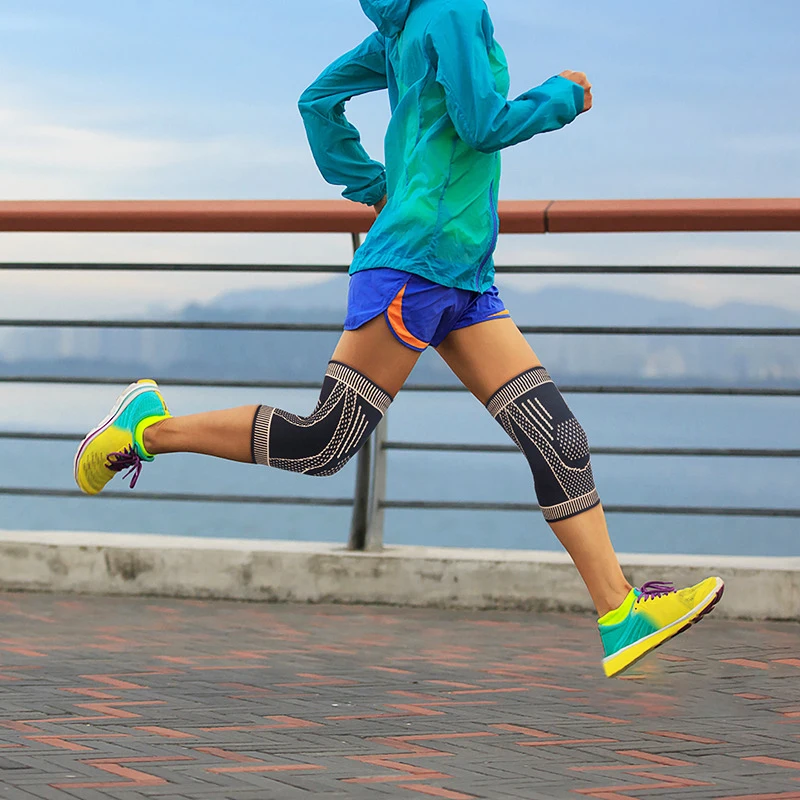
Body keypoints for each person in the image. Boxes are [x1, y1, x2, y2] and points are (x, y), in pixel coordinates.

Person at [74, 0, 723, 678]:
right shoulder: (451, 9)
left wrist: (379, 185)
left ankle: (620, 611)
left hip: (464, 275)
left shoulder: (405, 23)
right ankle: (147, 429)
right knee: (324, 443)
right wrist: (566, 96)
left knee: (557, 436)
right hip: (417, 265)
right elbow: (483, 124)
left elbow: (317, 103)